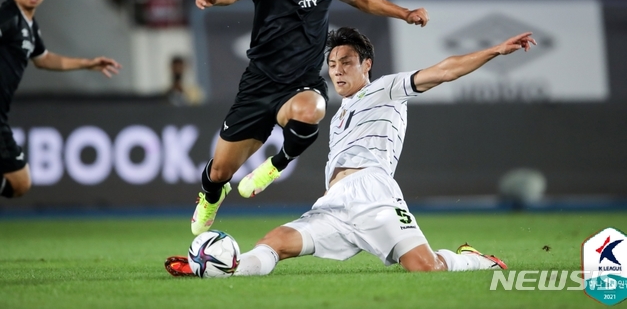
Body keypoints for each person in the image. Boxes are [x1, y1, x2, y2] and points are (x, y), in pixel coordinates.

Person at [165, 26, 536, 277]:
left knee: (427, 269)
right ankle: (216, 267)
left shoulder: (388, 89)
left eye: (346, 63)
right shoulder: (339, 112)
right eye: (332, 65)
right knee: (274, 242)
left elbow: (443, 71)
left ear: (366, 65)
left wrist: (496, 50)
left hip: (374, 194)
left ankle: (471, 260)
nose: (337, 72)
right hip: (335, 204)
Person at [190, 0, 429, 236]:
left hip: (301, 83)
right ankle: (211, 197)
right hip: (258, 86)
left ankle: (276, 165)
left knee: (312, 108)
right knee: (219, 171)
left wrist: (403, 12)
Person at [0, 0, 121, 199]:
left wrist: (87, 64)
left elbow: (43, 59)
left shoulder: (29, 25)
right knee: (19, 181)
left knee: (20, 183)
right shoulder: (7, 17)